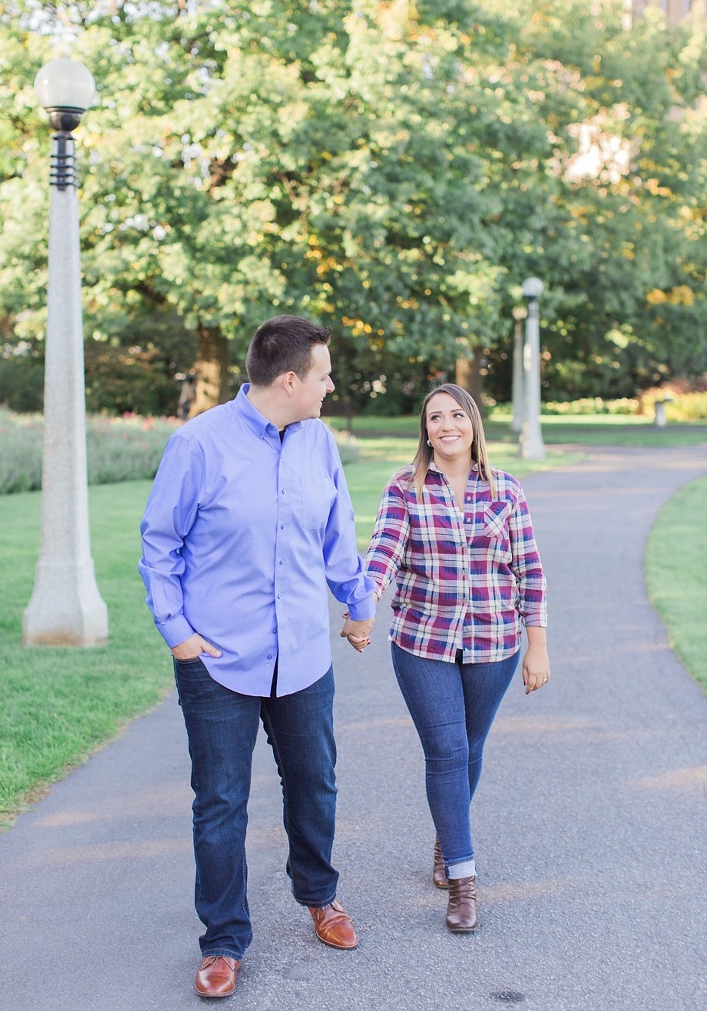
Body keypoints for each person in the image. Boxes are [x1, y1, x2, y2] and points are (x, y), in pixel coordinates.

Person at [139, 316, 375, 999]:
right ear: (291, 379)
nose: (332, 386)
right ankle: (222, 942)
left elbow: (338, 535)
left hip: (302, 656)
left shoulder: (319, 443)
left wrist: (357, 603)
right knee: (219, 803)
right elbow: (160, 544)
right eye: (325, 375)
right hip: (217, 662)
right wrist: (177, 631)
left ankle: (320, 897)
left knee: (316, 784)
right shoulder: (198, 445)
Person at [363, 383, 549, 933]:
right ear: (425, 430)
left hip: (494, 644)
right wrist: (364, 602)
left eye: (456, 415)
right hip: (423, 642)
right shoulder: (404, 488)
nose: (446, 425)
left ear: (472, 424)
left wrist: (537, 645)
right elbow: (384, 550)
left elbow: (529, 572)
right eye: (434, 417)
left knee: (468, 749)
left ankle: (448, 838)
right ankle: (464, 883)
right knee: (446, 751)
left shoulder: (506, 491)